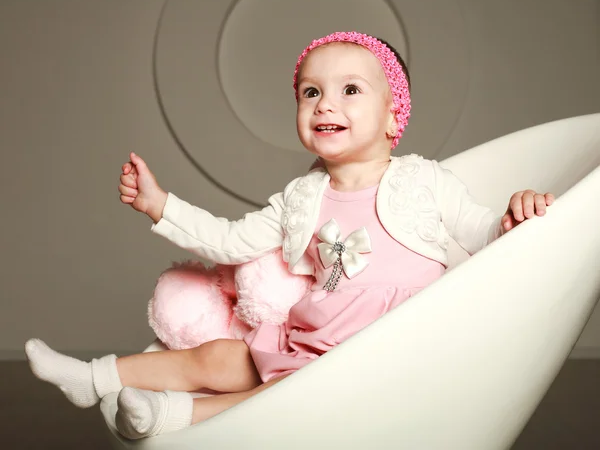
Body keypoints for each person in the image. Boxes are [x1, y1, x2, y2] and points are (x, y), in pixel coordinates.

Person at [25, 31, 554, 439]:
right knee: (219, 358)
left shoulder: (424, 179)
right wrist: (160, 205)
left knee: (279, 395)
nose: (326, 103)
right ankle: (96, 377)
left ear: (394, 115)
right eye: (311, 92)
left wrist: (513, 215)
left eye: (350, 90)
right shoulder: (302, 197)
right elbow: (229, 242)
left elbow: (484, 233)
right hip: (313, 337)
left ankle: (164, 414)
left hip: (385, 347)